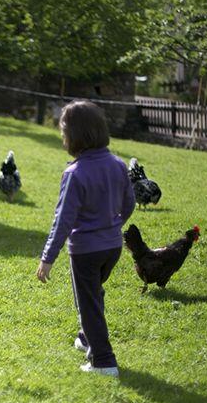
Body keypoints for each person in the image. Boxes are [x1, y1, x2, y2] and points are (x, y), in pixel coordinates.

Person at [36, 100, 135, 377]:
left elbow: (62, 221)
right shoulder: (118, 165)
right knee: (92, 294)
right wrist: (112, 226)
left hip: (85, 252)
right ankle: (85, 337)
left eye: (63, 132)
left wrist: (47, 257)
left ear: (75, 136)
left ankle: (104, 361)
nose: (62, 138)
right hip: (112, 247)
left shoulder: (74, 173)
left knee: (89, 302)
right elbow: (129, 203)